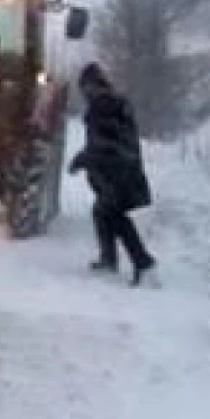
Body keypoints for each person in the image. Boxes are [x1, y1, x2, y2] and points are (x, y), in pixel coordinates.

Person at [68, 62, 157, 286]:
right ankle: (109, 258)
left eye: (85, 87)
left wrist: (83, 159)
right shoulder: (113, 102)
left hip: (116, 171)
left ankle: (144, 263)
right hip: (122, 168)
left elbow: (104, 144)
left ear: (92, 85)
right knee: (102, 212)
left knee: (116, 216)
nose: (85, 93)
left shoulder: (104, 105)